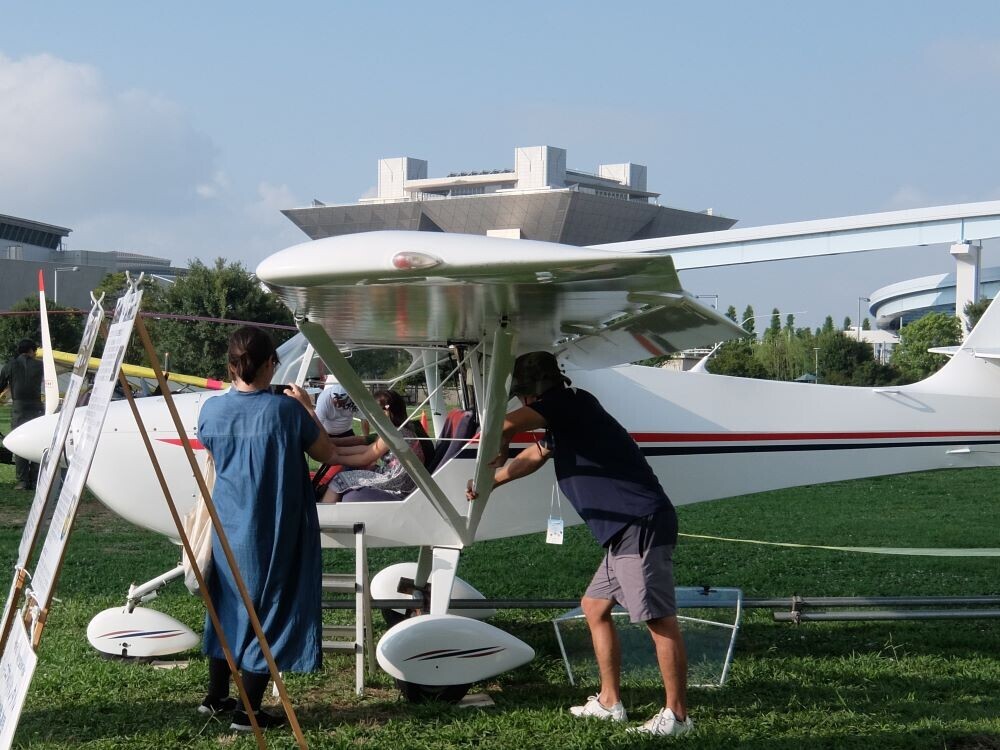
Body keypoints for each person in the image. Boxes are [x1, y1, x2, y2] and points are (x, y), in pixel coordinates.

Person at [467, 351, 693, 737]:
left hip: (636, 523)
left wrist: (500, 444)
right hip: (623, 530)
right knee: (593, 606)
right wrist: (494, 481)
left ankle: (678, 717)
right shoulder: (570, 410)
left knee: (658, 619)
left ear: (529, 394)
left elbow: (503, 425)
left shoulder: (563, 405)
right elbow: (536, 454)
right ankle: (609, 702)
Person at [196, 326, 339, 731]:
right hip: (272, 524)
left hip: (228, 523)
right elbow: (326, 451)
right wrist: (309, 408)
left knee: (227, 605)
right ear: (271, 364)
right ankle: (249, 710)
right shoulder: (286, 411)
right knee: (271, 607)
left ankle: (216, 697)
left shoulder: (211, 410)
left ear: (230, 365)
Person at [320, 389, 425, 503]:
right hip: (404, 481)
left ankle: (324, 515)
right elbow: (369, 448)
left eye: (373, 413)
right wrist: (337, 450)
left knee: (339, 479)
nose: (371, 417)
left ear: (386, 412)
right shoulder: (404, 429)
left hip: (396, 483)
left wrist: (335, 458)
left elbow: (365, 457)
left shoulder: (393, 434)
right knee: (360, 469)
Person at [0, 339, 44, 490]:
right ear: (31, 350)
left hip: (18, 408)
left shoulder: (10, 365)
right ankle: (35, 479)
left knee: (20, 442)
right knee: (37, 442)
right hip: (37, 408)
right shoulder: (40, 365)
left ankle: (22, 481)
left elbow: (0, 385)